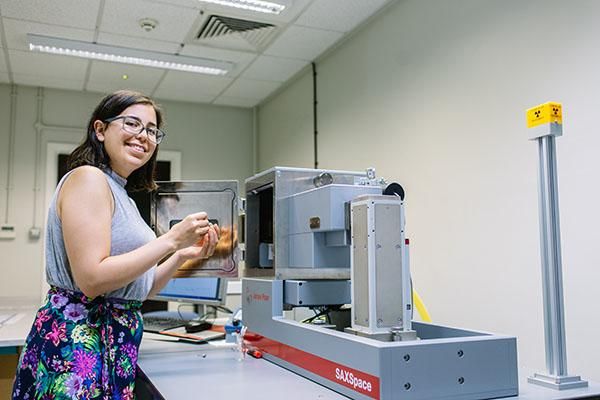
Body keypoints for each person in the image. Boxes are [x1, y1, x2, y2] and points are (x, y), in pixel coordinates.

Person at [12, 90, 219, 399]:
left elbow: (141, 290)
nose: (143, 136)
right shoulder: (88, 178)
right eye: (132, 123)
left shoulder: (123, 195)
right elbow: (92, 280)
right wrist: (170, 239)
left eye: (151, 130)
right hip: (78, 341)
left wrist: (180, 255)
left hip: (115, 338)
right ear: (100, 129)